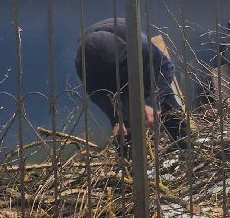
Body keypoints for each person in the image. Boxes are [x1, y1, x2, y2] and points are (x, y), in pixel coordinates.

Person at [74, 18, 190, 153]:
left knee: (169, 109)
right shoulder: (84, 66)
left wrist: (152, 102)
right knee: (123, 132)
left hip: (144, 73)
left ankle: (187, 150)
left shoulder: (140, 44)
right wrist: (117, 118)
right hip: (111, 86)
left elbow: (166, 68)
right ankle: (130, 165)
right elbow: (98, 95)